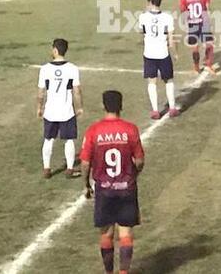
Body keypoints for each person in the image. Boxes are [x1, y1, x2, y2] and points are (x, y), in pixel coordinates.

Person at [80, 90, 144, 274]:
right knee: (125, 233)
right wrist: (133, 175)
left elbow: (85, 163)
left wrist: (85, 185)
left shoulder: (94, 130)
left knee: (106, 234)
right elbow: (139, 161)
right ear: (121, 106)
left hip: (104, 190)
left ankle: (109, 272)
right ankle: (124, 272)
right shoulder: (130, 129)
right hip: (126, 189)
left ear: (103, 106)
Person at [36, 38, 84, 178]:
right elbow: (77, 91)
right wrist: (80, 107)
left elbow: (40, 92)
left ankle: (47, 168)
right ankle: (69, 169)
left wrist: (39, 107)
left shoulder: (45, 69)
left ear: (55, 50)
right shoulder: (72, 69)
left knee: (48, 139)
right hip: (66, 112)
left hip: (50, 111)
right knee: (69, 139)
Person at [138, 0, 178, 119]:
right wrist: (176, 53)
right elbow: (171, 39)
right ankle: (172, 108)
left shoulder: (143, 17)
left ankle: (155, 110)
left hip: (149, 53)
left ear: (150, 2)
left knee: (152, 80)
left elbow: (141, 32)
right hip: (163, 53)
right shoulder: (167, 17)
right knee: (168, 80)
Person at [179, 0, 215, 74]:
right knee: (209, 44)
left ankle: (196, 67)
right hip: (204, 23)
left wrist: (186, 23)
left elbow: (183, 11)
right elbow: (207, 8)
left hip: (192, 24)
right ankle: (209, 65)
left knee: (194, 47)